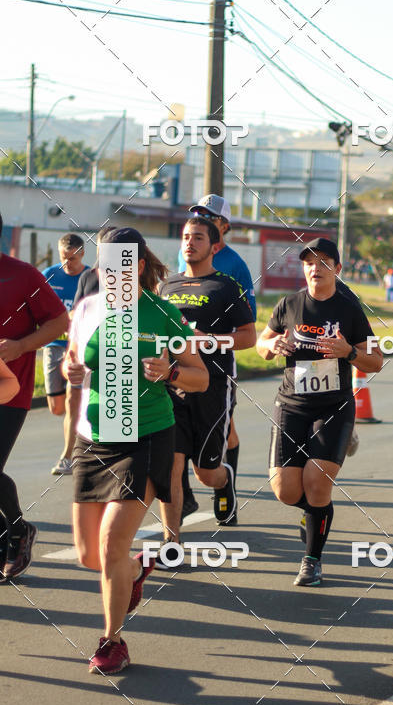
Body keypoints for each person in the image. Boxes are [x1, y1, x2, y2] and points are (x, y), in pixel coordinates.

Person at [65, 227, 208, 673]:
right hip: (97, 434)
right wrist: (71, 371)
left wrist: (169, 373)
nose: (109, 275)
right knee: (90, 555)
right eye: (104, 267)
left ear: (137, 267)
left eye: (119, 266)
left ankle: (112, 641)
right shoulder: (88, 308)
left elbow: (199, 377)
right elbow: (75, 358)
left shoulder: (163, 313)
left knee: (110, 542)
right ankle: (136, 567)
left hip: (146, 435)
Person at [257, 237, 383, 586]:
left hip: (333, 408)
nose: (316, 267)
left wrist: (348, 352)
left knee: (316, 482)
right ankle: (314, 514)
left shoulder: (350, 309)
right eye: (310, 262)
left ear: (337, 269)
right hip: (291, 405)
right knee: (285, 490)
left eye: (324, 261)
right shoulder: (289, 305)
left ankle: (312, 560)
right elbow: (261, 343)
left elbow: (376, 361)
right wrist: (272, 345)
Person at [158, 216, 256, 552]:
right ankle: (172, 541)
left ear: (213, 246)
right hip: (172, 386)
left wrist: (209, 340)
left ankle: (224, 480)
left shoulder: (225, 287)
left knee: (205, 472)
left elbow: (248, 338)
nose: (189, 242)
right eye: (185, 236)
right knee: (171, 464)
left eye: (197, 237)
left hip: (212, 385)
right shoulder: (165, 287)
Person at [0, 211, 69, 582]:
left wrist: (21, 346)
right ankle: (8, 533)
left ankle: (17, 531)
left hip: (10, 390)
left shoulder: (23, 275)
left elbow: (60, 322)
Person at [179, 195, 257, 520]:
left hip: (217, 369)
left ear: (222, 227)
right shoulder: (183, 256)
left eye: (207, 217)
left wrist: (209, 340)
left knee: (225, 435)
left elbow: (247, 325)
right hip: (180, 374)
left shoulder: (235, 266)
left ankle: (225, 486)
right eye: (195, 214)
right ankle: (180, 504)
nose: (199, 219)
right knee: (174, 444)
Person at [42, 233, 89, 475]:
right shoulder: (49, 274)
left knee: (73, 399)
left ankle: (67, 456)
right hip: (53, 345)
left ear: (82, 254)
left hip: (79, 347)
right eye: (63, 259)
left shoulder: (91, 277)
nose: (67, 264)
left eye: (72, 259)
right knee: (56, 407)